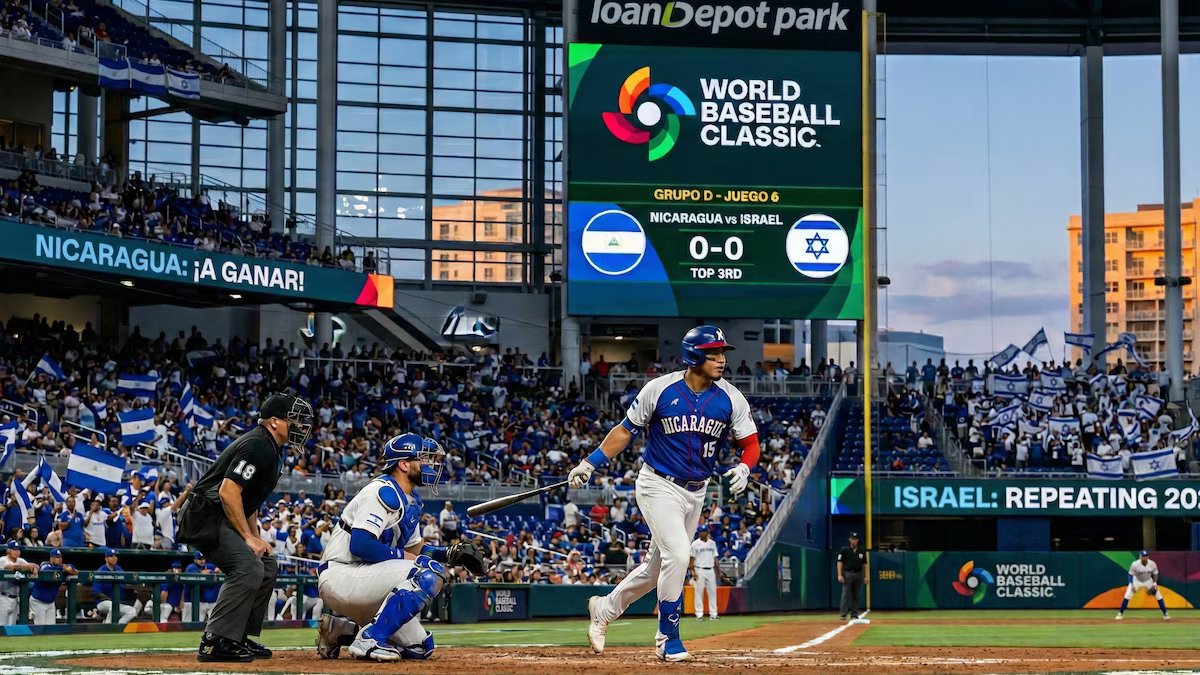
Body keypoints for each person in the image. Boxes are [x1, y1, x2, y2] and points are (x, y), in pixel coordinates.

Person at [573, 325, 759, 662]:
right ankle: (667, 639)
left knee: (656, 569)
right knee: (678, 553)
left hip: (696, 491)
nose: (720, 359)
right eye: (713, 353)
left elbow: (751, 444)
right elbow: (624, 431)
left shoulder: (731, 397)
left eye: (722, 353)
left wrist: (745, 468)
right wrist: (590, 462)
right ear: (694, 355)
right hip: (657, 484)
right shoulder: (659, 389)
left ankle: (604, 609)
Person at [315, 433, 487, 662]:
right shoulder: (381, 492)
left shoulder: (410, 500)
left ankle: (340, 630)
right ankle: (369, 639)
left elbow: (414, 549)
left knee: (419, 647)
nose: (429, 465)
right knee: (427, 573)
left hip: (368, 580)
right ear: (404, 464)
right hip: (341, 574)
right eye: (423, 458)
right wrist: (405, 556)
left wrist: (450, 554)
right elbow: (361, 545)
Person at [184, 392, 313, 662]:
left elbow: (249, 501)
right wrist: (246, 536)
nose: (300, 426)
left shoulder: (271, 447)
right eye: (294, 420)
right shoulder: (258, 445)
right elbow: (228, 491)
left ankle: (236, 636)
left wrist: (256, 538)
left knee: (265, 565)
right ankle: (214, 641)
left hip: (220, 515)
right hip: (205, 515)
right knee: (248, 567)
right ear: (275, 422)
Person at [1116, 550, 1170, 620]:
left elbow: (1155, 574)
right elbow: (1130, 574)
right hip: (1136, 580)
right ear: (1140, 557)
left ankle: (1165, 613)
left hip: (1148, 580)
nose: (1145, 558)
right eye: (1143, 556)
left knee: (1158, 595)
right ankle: (1120, 613)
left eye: (1146, 556)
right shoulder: (1135, 564)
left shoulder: (1152, 564)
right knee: (1127, 595)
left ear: (1148, 557)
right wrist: (1131, 584)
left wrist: (1154, 584)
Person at [93, 548, 141, 624]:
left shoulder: (119, 570)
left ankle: (118, 627)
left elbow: (125, 584)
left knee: (132, 611)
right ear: (106, 559)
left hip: (119, 602)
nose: (114, 558)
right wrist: (109, 599)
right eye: (111, 556)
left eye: (115, 556)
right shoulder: (101, 571)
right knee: (114, 606)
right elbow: (96, 592)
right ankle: (107, 626)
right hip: (103, 603)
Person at [30, 548, 77, 624]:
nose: (59, 559)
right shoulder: (45, 565)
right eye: (57, 557)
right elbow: (47, 571)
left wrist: (69, 568)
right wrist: (63, 568)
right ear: (51, 559)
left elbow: (74, 570)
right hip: (38, 602)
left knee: (51, 629)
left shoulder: (63, 567)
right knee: (40, 628)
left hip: (50, 603)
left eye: (60, 557)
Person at [1, 540, 39, 624]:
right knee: (1, 625)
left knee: (12, 626)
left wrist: (34, 567)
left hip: (15, 598)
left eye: (18, 549)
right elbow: (9, 567)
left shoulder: (20, 560)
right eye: (14, 549)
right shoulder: (3, 559)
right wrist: (26, 567)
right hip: (3, 597)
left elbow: (35, 566)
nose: (17, 552)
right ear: (8, 550)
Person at [688, 528, 719, 620]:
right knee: (698, 592)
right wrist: (692, 572)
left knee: (712, 592)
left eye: (704, 531)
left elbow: (715, 558)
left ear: (707, 532)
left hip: (710, 569)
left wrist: (719, 571)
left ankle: (713, 614)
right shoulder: (695, 544)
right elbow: (691, 559)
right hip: (699, 569)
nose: (702, 533)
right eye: (701, 531)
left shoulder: (712, 543)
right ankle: (699, 614)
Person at [837, 532, 868, 621]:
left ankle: (854, 613)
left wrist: (866, 576)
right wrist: (839, 574)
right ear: (849, 540)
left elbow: (865, 564)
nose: (854, 541)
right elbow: (839, 562)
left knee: (856, 594)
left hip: (858, 573)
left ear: (857, 540)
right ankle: (843, 613)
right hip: (848, 574)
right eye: (852, 539)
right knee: (846, 593)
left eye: (855, 539)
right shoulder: (844, 550)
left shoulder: (861, 550)